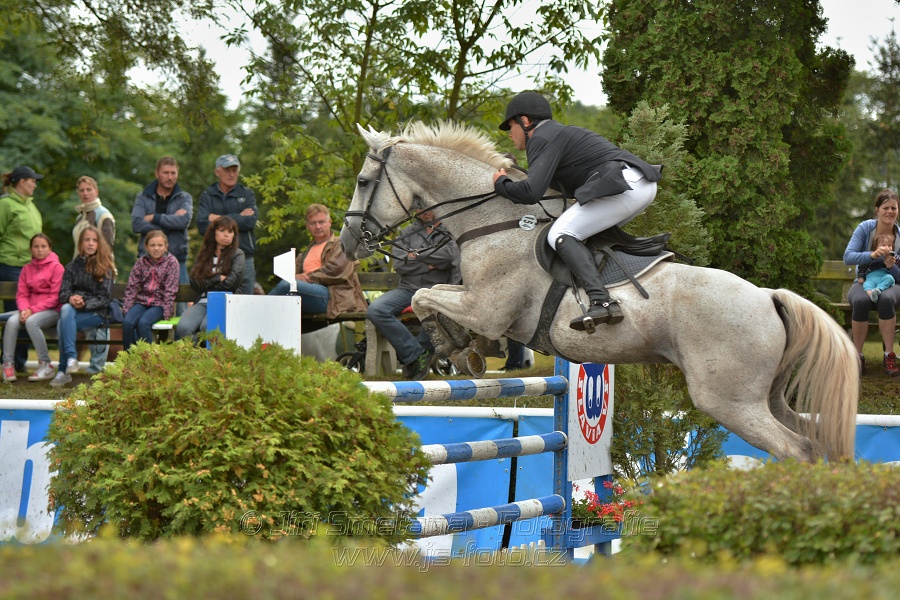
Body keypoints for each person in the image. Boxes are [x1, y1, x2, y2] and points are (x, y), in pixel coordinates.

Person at [492, 91, 662, 332]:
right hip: (638, 183)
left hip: (626, 185)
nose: (510, 134)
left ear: (525, 121)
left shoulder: (541, 138)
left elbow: (532, 192)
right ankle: (610, 287)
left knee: (560, 234)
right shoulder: (554, 134)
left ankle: (601, 301)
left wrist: (501, 184)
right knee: (581, 235)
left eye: (510, 126)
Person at [367, 210, 461, 380]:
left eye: (427, 207)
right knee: (376, 309)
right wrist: (431, 265)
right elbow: (400, 264)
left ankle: (419, 359)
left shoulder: (450, 230)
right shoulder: (407, 232)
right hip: (408, 288)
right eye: (420, 208)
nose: (424, 211)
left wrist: (416, 256)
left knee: (434, 310)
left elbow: (450, 256)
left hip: (436, 291)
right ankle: (416, 353)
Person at [268, 204, 367, 318]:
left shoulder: (341, 244)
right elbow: (290, 275)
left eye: (321, 222)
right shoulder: (305, 253)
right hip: (307, 296)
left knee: (288, 286)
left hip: (333, 297)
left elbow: (336, 271)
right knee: (282, 302)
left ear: (329, 222)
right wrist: (295, 277)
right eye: (313, 223)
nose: (318, 226)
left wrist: (308, 277)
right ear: (307, 226)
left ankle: (257, 308)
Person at [843, 189, 900, 376]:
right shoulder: (865, 228)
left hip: (892, 283)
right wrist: (872, 255)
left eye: (894, 208)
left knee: (885, 299)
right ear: (877, 210)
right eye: (886, 208)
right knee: (860, 301)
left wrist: (892, 267)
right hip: (863, 281)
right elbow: (848, 257)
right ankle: (857, 356)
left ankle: (889, 355)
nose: (890, 211)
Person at [50, 226, 115, 387]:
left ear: (99, 244)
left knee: (62, 324)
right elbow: (63, 294)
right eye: (87, 240)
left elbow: (105, 298)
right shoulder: (72, 267)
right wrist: (71, 299)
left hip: (97, 314)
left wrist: (83, 303)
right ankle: (71, 359)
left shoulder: (105, 266)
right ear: (81, 244)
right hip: (74, 313)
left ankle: (63, 370)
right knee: (65, 310)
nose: (91, 243)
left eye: (94, 240)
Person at [131, 156, 193, 315]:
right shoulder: (143, 196)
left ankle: (182, 340)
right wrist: (171, 220)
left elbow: (183, 222)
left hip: (178, 258)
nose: (170, 177)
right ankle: (147, 341)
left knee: (181, 308)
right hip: (147, 261)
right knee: (147, 306)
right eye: (166, 173)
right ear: (157, 173)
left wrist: (154, 217)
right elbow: (137, 224)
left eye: (173, 173)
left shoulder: (184, 197)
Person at [1, 234, 64, 382]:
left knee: (31, 322)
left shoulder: (57, 268)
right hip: (28, 310)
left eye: (43, 246)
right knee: (11, 321)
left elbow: (55, 297)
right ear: (31, 249)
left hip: (52, 310)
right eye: (36, 246)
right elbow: (22, 294)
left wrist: (32, 310)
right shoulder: (27, 269)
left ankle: (46, 365)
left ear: (50, 248)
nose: (40, 250)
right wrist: (24, 309)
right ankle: (7, 364)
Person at [0, 166, 44, 372]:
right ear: (21, 182)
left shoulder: (32, 207)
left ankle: (20, 362)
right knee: (14, 315)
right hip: (11, 266)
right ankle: (9, 361)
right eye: (32, 180)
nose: (35, 184)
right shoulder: (6, 204)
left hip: (32, 269)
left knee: (29, 313)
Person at [175, 216, 245, 343]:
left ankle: (207, 357)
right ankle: (197, 358)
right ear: (214, 233)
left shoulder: (237, 255)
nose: (226, 235)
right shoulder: (205, 254)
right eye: (222, 231)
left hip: (224, 301)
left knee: (207, 328)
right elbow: (195, 282)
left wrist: (206, 282)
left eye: (230, 232)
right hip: (203, 301)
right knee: (183, 328)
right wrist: (217, 278)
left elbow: (230, 284)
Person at [197, 154, 258, 295]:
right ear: (217, 172)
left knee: (245, 303)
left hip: (245, 256)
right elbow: (202, 225)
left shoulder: (247, 194)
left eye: (234, 170)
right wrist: (238, 217)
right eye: (227, 170)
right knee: (216, 303)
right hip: (214, 257)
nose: (231, 174)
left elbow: (249, 222)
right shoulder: (208, 195)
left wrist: (217, 218)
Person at [74, 175, 116, 374]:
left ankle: (97, 366)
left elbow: (106, 249)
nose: (85, 193)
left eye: (88, 189)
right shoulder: (80, 216)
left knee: (97, 316)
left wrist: (97, 272)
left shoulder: (103, 215)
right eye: (81, 190)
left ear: (96, 192)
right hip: (80, 273)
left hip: (99, 272)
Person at [121, 230, 180, 351]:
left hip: (159, 304)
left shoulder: (172, 262)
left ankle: (149, 359)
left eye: (160, 245)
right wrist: (127, 308)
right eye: (152, 245)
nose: (156, 248)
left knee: (144, 323)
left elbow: (170, 289)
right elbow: (132, 287)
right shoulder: (141, 263)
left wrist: (167, 312)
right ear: (146, 247)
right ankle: (129, 358)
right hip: (142, 302)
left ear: (166, 246)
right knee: (128, 323)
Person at [858, 233, 897, 303]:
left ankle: (878, 290)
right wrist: (861, 277)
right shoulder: (872, 256)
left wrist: (893, 263)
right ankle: (872, 296)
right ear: (876, 247)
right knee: (866, 285)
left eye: (889, 245)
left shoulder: (893, 257)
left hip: (884, 277)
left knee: (890, 278)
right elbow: (862, 266)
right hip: (871, 278)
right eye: (883, 245)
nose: (887, 248)